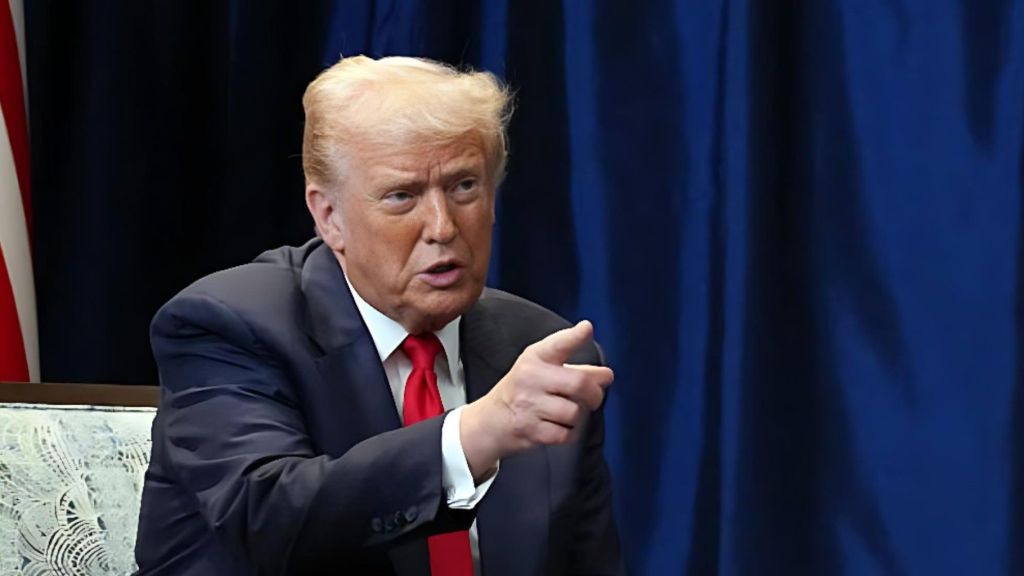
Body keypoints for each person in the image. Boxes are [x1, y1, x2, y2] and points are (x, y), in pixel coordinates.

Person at [133, 54, 624, 576]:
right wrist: (475, 434)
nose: (441, 226)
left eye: (464, 186)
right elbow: (269, 518)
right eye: (401, 196)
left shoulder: (539, 350)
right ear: (329, 217)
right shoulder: (228, 325)